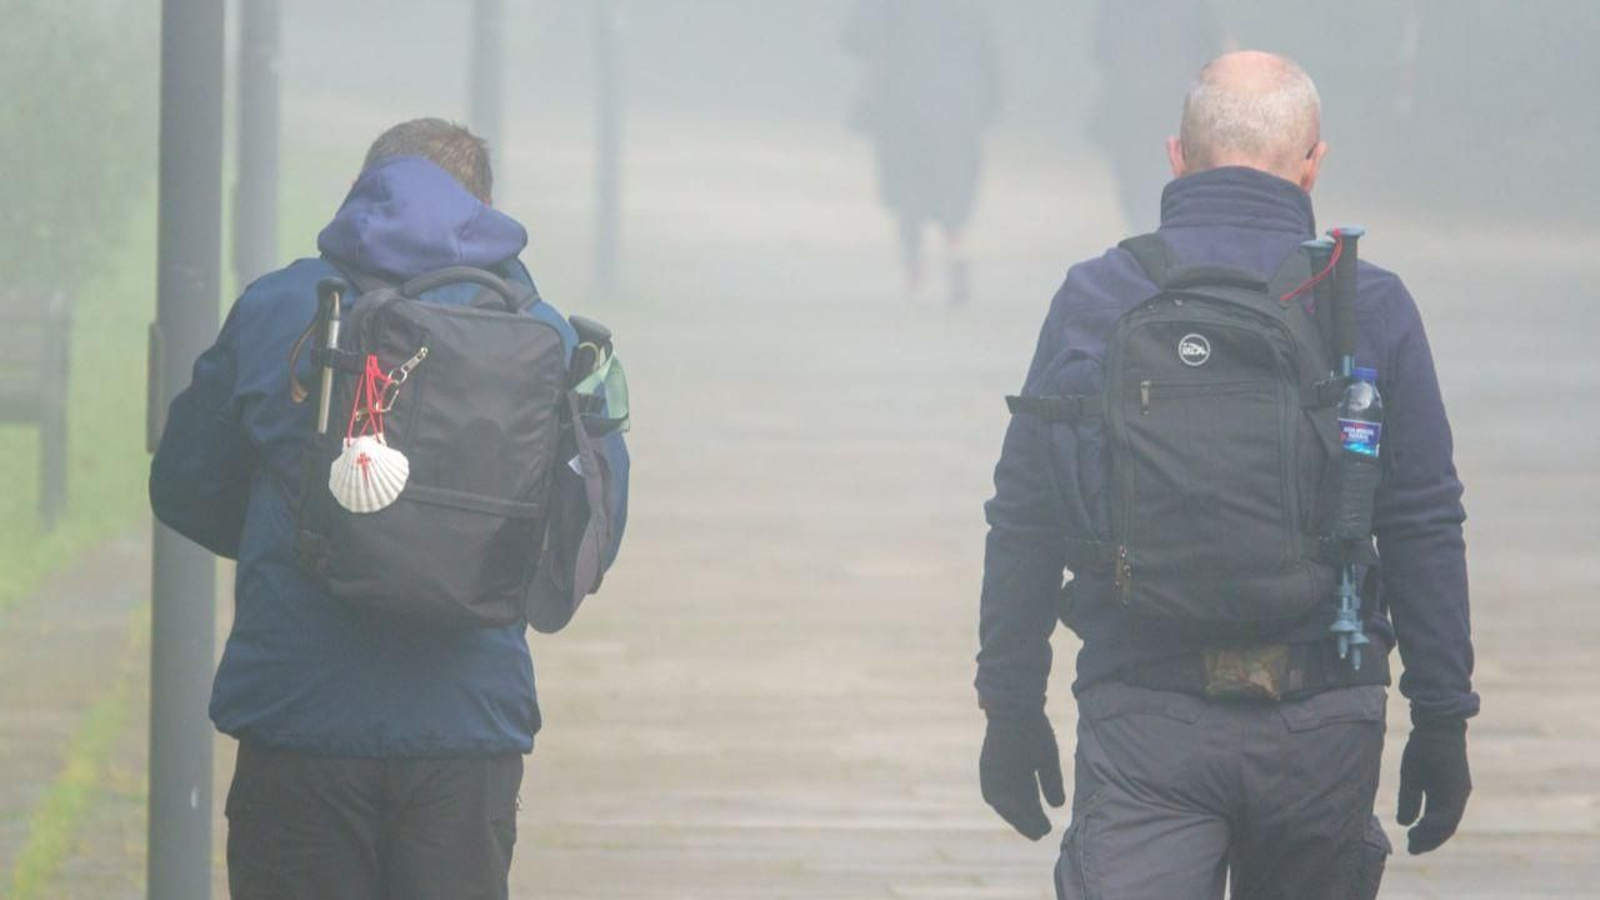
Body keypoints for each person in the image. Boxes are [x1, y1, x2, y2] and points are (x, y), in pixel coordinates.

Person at [977, 53, 1475, 898]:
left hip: (1144, 714)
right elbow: (1422, 519)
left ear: (1177, 156)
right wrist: (1442, 715)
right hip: (1322, 717)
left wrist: (1011, 706)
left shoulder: (1099, 295)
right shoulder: (1371, 304)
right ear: (1314, 161)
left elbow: (1026, 514)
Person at [150, 118, 630, 900]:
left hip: (298, 715)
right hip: (465, 729)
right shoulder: (545, 337)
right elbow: (593, 530)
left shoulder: (279, 308)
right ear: (482, 209)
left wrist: (315, 535)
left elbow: (185, 482)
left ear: (361, 190)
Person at [843, 0, 1001, 304]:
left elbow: (854, 38)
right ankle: (952, 258)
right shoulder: (965, 9)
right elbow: (989, 61)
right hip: (957, 113)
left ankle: (914, 269)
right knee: (953, 192)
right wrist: (986, 108)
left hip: (901, 109)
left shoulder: (892, 8)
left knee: (907, 191)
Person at [1088, 0, 1225, 233]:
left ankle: (1151, 228)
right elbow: (1209, 52)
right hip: (1156, 107)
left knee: (1142, 172)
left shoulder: (1122, 8)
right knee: (1147, 171)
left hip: (1152, 106)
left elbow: (1100, 49)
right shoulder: (1187, 8)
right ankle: (1154, 228)